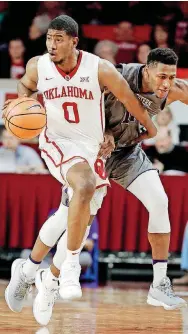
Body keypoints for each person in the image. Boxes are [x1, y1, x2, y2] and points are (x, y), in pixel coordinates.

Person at [5, 47, 188, 326]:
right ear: (146, 69)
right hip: (93, 150)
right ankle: (44, 276)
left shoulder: (172, 89)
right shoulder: (116, 76)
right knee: (73, 221)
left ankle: (159, 284)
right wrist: (105, 132)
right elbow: (85, 110)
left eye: (171, 77)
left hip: (128, 154)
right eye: (161, 76)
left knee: (160, 201)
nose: (166, 83)